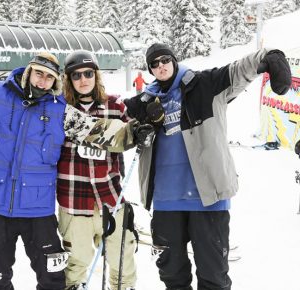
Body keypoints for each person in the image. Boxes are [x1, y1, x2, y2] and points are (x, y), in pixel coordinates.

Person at [0, 51, 153, 290]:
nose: (43, 81)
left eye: (49, 77)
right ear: (29, 72)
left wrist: (133, 133)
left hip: (38, 209)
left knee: (53, 279)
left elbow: (98, 131)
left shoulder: (60, 112)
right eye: (39, 74)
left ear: (55, 82)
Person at [123, 43, 291, 290]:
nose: (160, 66)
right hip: (166, 201)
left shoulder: (204, 85)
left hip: (207, 199)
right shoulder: (144, 102)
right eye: (154, 63)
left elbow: (238, 70)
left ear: (174, 59)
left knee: (213, 276)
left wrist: (270, 56)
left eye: (164, 60)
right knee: (172, 277)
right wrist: (139, 129)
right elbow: (111, 117)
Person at [57, 50, 137, 290]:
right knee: (76, 262)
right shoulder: (59, 109)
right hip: (73, 200)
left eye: (88, 73)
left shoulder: (115, 106)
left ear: (96, 75)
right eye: (77, 75)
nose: (83, 80)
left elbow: (138, 127)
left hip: (109, 198)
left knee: (122, 258)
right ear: (68, 80)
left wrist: (143, 125)